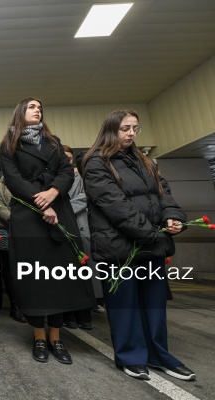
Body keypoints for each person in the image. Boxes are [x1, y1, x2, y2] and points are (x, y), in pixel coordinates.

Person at [81, 110, 195, 381]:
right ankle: (131, 356)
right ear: (111, 130)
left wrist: (173, 218)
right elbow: (114, 205)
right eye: (125, 128)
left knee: (154, 305)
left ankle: (158, 355)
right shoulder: (95, 162)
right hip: (120, 247)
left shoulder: (146, 161)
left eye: (135, 128)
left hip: (151, 243)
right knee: (125, 305)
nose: (131, 133)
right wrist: (152, 234)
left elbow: (163, 193)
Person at [0, 98, 94, 364]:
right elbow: (15, 182)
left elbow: (67, 172)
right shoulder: (8, 144)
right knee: (35, 280)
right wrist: (41, 202)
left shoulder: (53, 142)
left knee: (59, 278)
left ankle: (56, 337)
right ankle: (39, 336)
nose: (37, 110)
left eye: (39, 107)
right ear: (20, 112)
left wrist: (53, 193)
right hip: (28, 215)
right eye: (31, 106)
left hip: (59, 211)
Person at [61, 145, 95, 330]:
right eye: (62, 157)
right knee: (65, 275)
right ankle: (70, 315)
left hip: (79, 227)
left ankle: (85, 315)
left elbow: (85, 197)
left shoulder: (80, 177)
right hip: (62, 229)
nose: (66, 160)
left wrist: (64, 209)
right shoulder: (56, 178)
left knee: (83, 274)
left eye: (68, 157)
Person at [0, 176, 26, 323]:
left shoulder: (24, 182)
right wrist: (15, 220)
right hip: (5, 227)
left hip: (26, 229)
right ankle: (15, 306)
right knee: (8, 268)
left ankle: (28, 303)